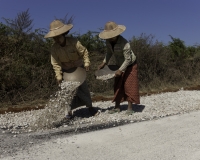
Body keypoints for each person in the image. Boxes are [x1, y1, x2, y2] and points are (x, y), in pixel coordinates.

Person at [44, 19, 98, 119]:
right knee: (67, 92)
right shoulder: (54, 48)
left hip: (79, 69)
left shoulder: (74, 42)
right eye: (54, 38)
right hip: (66, 71)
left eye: (58, 37)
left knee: (84, 89)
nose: (56, 39)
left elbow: (84, 52)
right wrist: (59, 75)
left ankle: (90, 108)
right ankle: (68, 112)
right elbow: (55, 63)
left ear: (64, 34)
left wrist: (86, 63)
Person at [98, 21, 140, 115]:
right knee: (118, 85)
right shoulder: (108, 42)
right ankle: (117, 107)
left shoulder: (124, 43)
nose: (110, 37)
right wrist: (104, 63)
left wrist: (121, 70)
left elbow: (128, 59)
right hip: (118, 65)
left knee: (129, 85)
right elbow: (109, 53)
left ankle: (130, 108)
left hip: (130, 65)